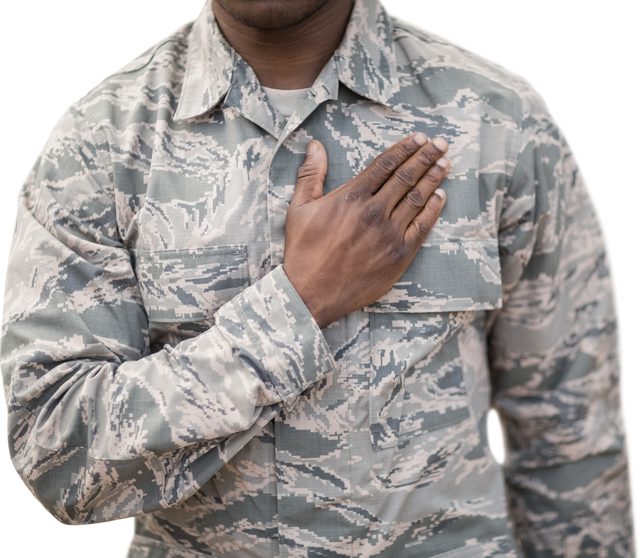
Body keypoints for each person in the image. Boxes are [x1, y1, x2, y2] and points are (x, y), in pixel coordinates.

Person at [1, 0, 636, 556]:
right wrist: (296, 307)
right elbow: (58, 458)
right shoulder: (96, 146)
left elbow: (572, 441)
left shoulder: (502, 122)